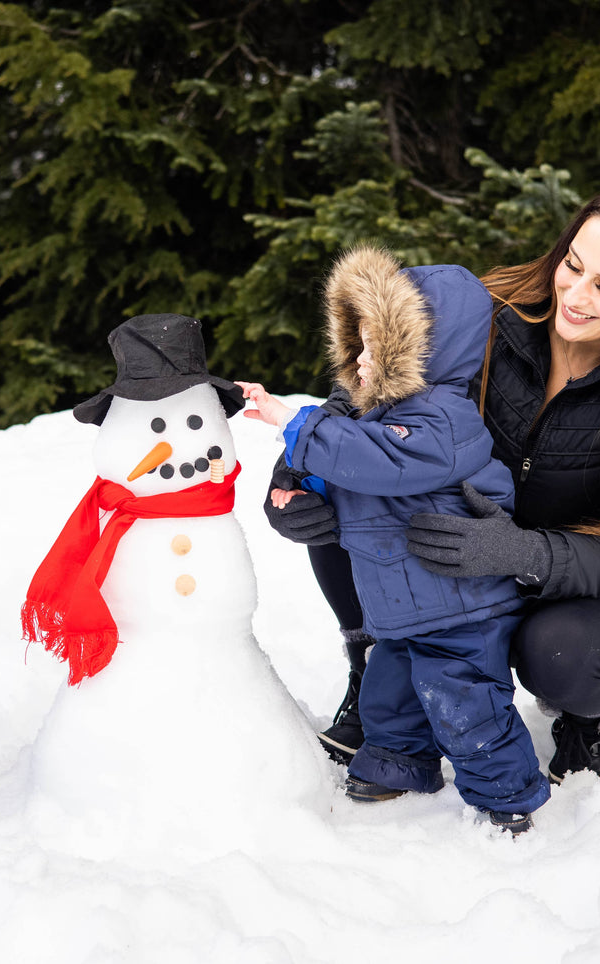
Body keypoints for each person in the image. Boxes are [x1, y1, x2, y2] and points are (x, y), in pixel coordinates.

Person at [267, 180, 600, 784]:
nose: (575, 293)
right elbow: (373, 387)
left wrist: (524, 552)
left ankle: (593, 718)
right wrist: (295, 475)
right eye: (572, 265)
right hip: (464, 560)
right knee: (355, 493)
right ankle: (378, 665)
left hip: (594, 595)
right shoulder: (491, 314)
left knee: (560, 651)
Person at [238, 247, 550, 834]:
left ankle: (507, 794)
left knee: (467, 705)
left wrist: (293, 421)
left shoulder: (444, 419)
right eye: (357, 345)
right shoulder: (371, 422)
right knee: (392, 693)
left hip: (461, 608)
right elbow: (356, 481)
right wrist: (303, 488)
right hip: (402, 607)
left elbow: (380, 465)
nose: (361, 361)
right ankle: (398, 762)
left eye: (377, 348)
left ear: (425, 350)